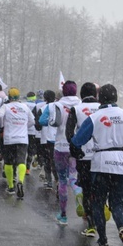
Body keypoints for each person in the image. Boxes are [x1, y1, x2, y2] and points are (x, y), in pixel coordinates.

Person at [71, 84, 123, 246]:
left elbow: (76, 140)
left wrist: (78, 153)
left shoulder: (95, 117)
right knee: (117, 204)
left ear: (100, 98)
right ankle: (121, 228)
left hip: (101, 163)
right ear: (116, 98)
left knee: (98, 203)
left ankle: (103, 243)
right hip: (122, 162)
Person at [39, 81, 82, 225]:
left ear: (63, 91)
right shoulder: (81, 105)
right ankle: (79, 197)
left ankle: (63, 215)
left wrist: (53, 122)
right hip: (76, 146)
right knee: (74, 178)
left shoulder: (53, 105)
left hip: (60, 146)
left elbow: (41, 121)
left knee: (62, 180)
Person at [66, 82, 100, 237]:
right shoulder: (104, 108)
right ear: (96, 94)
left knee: (86, 189)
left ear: (81, 94)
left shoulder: (76, 109)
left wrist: (76, 151)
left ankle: (91, 223)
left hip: (84, 156)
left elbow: (69, 133)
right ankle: (101, 215)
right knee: (100, 188)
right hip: (101, 155)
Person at [0, 88, 35, 198]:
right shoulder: (25, 107)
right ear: (18, 97)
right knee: (21, 161)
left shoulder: (6, 106)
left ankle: (10, 186)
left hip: (9, 138)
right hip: (22, 138)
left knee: (8, 162)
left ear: (9, 97)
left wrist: (2, 125)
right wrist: (24, 127)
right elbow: (33, 121)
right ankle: (20, 181)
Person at [36, 90, 58, 190]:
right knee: (56, 160)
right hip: (57, 138)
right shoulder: (59, 107)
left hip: (45, 138)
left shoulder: (43, 108)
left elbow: (38, 124)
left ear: (45, 98)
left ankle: (49, 181)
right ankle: (58, 180)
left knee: (47, 160)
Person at [24, 91, 39, 175]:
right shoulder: (36, 106)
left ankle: (20, 166)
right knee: (30, 150)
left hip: (23, 131)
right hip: (33, 131)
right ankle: (27, 168)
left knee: (23, 150)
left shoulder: (23, 105)